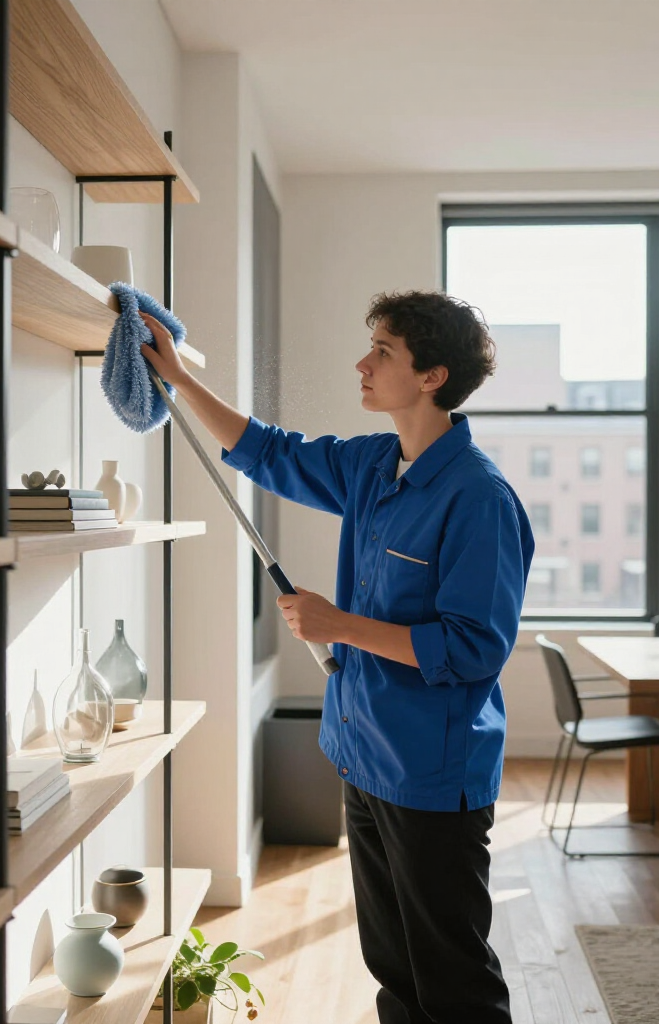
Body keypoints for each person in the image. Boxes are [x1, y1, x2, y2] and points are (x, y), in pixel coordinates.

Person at [140, 290, 533, 1024]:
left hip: (432, 774)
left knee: (452, 982)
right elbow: (269, 454)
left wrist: (338, 624)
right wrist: (182, 381)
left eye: (382, 351)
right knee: (392, 971)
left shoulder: (480, 498)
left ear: (431, 377)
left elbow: (473, 647)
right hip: (362, 756)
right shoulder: (371, 465)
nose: (363, 362)